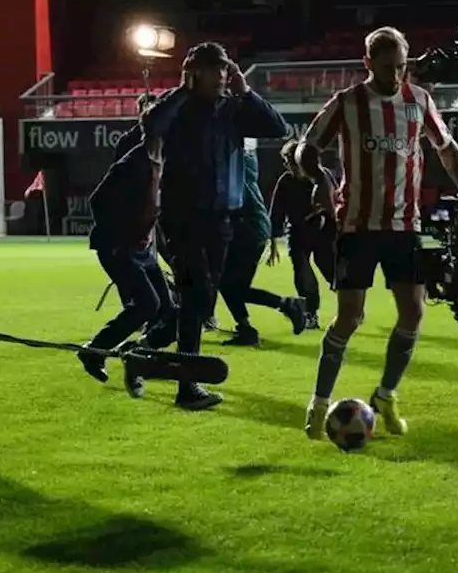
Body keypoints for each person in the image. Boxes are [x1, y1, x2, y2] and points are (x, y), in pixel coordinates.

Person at [297, 26, 458, 440]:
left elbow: (446, 147)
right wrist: (315, 177)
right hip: (356, 225)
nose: (395, 75)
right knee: (350, 317)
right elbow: (309, 146)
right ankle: (319, 404)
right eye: (387, 67)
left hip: (405, 225)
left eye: (401, 67)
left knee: (413, 312)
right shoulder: (347, 102)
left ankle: (387, 395)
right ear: (368, 63)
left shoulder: (419, 100)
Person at [140, 41, 289, 410]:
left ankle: (146, 354)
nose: (223, 76)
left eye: (226, 69)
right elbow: (151, 126)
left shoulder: (235, 110)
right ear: (195, 73)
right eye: (216, 70)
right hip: (183, 217)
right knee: (196, 293)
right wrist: (182, 90)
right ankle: (185, 384)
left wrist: (246, 90)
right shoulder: (177, 107)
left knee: (203, 299)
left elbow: (278, 128)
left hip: (223, 219)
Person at [76, 128, 175, 399]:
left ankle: (134, 355)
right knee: (147, 304)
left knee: (169, 314)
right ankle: (95, 351)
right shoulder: (132, 163)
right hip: (118, 248)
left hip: (143, 250)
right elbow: (98, 200)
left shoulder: (162, 161)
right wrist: (120, 235)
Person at [217, 140, 307, 345]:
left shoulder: (231, 167)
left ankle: (285, 305)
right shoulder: (244, 162)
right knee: (228, 284)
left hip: (246, 229)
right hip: (253, 227)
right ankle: (247, 328)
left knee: (232, 286)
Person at [268, 138, 338, 331]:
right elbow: (277, 212)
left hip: (324, 233)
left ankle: (351, 306)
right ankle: (310, 314)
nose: (287, 165)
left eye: (289, 161)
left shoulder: (323, 177)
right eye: (286, 162)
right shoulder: (286, 181)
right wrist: (273, 241)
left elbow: (335, 204)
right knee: (303, 273)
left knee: (330, 270)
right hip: (298, 234)